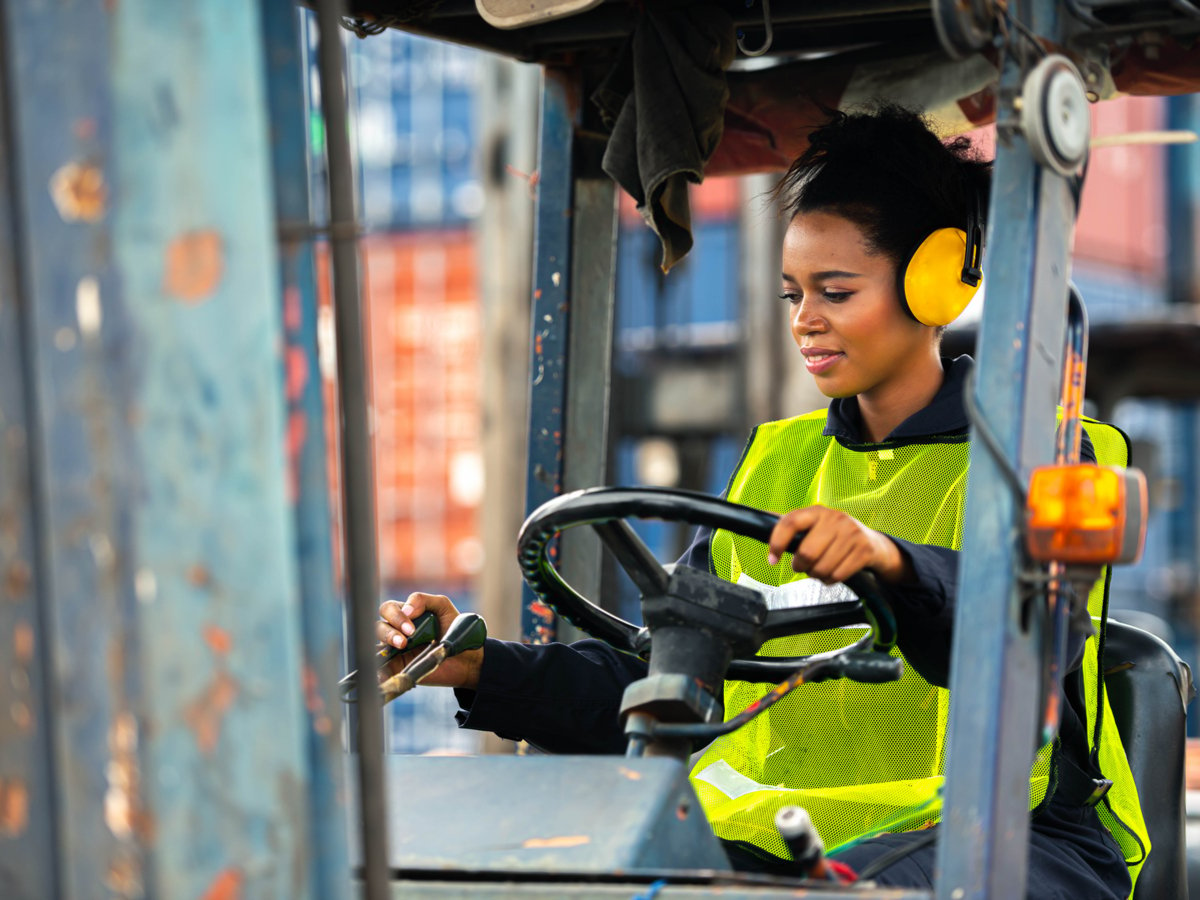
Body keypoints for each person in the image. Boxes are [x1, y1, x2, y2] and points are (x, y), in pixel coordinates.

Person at [375, 106, 1146, 898]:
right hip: (788, 842)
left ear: (936, 282)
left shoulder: (1032, 456)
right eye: (792, 296)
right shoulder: (778, 464)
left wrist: (892, 564)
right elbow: (670, 687)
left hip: (1008, 838)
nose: (806, 321)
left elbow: (1011, 632)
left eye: (835, 292)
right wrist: (480, 668)